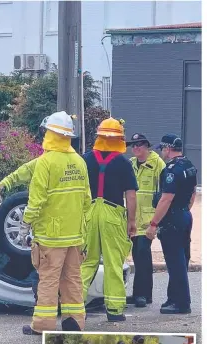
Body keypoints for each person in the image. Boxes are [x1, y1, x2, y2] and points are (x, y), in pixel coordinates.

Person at [19, 111, 92, 334]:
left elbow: (37, 199)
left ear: (50, 133)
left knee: (48, 280)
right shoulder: (79, 161)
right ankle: (75, 322)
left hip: (51, 236)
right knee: (73, 281)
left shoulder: (46, 162)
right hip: (75, 236)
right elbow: (87, 201)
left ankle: (42, 326)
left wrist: (26, 223)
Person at [81, 118, 138, 322]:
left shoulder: (85, 159)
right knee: (114, 262)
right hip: (113, 213)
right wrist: (132, 222)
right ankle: (114, 310)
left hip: (89, 213)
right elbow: (130, 195)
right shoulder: (123, 163)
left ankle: (75, 307)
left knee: (87, 261)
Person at [145, 134, 197, 314]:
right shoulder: (189, 165)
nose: (162, 153)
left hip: (173, 218)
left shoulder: (171, 170)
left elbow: (166, 199)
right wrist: (184, 210)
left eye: (163, 149)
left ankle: (182, 303)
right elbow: (192, 194)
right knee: (182, 259)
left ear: (168, 148)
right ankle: (173, 298)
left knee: (175, 262)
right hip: (184, 215)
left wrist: (153, 224)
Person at [126, 133, 166, 308]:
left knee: (142, 254)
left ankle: (142, 294)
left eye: (139, 145)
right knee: (137, 255)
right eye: (133, 145)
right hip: (133, 218)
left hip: (149, 219)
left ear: (147, 146)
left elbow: (166, 193)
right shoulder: (131, 164)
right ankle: (140, 294)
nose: (135, 148)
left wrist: (156, 221)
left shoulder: (158, 164)